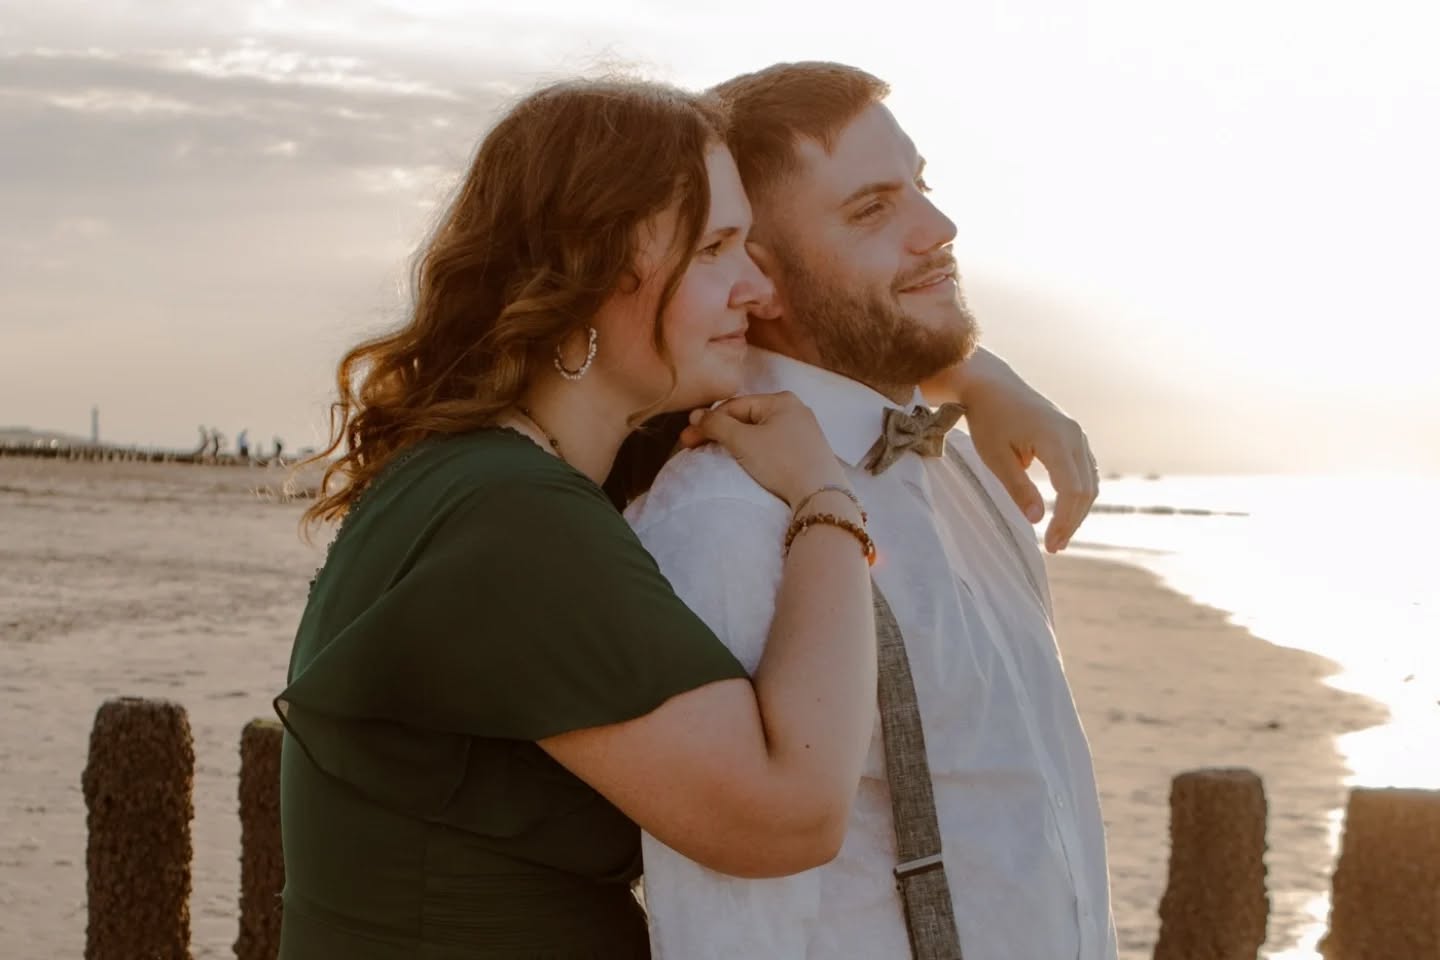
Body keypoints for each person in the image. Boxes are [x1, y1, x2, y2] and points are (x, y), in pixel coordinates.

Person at [274, 78, 879, 959]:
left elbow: (868, 347)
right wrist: (826, 503)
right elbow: (791, 818)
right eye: (715, 248)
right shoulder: (513, 517)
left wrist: (981, 381)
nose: (759, 286)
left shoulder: (488, 475)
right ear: (589, 271)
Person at [626, 62, 1118, 960]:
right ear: (758, 280)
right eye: (872, 210)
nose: (939, 229)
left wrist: (980, 372)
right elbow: (729, 924)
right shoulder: (724, 521)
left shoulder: (969, 468)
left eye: (922, 186)